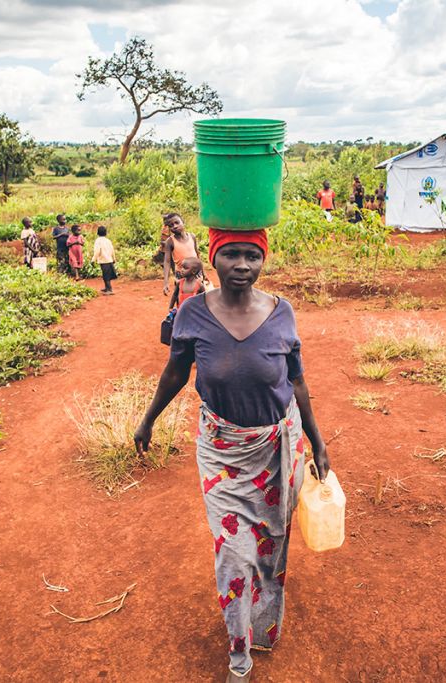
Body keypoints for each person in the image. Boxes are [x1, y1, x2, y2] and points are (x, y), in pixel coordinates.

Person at [134, 228, 329, 682]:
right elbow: (176, 372)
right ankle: (238, 657)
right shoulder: (193, 314)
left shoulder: (282, 313)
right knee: (234, 555)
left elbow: (296, 382)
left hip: (278, 449)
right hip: (222, 452)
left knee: (269, 547)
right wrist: (148, 419)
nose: (242, 266)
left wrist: (318, 443)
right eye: (231, 256)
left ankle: (262, 626)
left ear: (263, 261)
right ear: (212, 260)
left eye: (252, 256)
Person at [161, 213, 198, 296]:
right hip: (181, 275)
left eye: (177, 222)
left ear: (183, 222)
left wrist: (203, 273)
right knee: (182, 298)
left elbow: (197, 255)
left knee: (197, 297)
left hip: (196, 273)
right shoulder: (170, 242)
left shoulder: (192, 237)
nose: (174, 226)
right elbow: (167, 261)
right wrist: (166, 283)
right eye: (171, 225)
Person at [92, 225, 117, 295]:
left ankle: (109, 289)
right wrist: (114, 258)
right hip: (109, 259)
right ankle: (107, 288)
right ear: (106, 233)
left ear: (97, 233)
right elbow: (112, 250)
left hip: (103, 260)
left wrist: (93, 260)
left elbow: (97, 251)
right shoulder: (108, 241)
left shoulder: (98, 241)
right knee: (106, 275)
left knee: (106, 276)